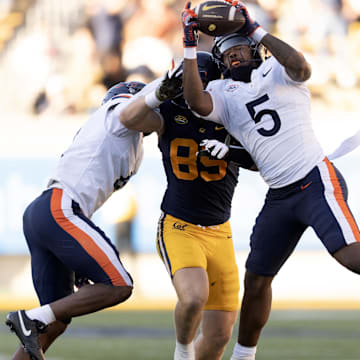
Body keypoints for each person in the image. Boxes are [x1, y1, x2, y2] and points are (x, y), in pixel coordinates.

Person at [180, 1, 360, 360]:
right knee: (257, 278)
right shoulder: (225, 95)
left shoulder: (277, 71)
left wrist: (255, 27)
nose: (236, 57)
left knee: (351, 257)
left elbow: (302, 66)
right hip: (279, 195)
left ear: (256, 46)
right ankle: (244, 355)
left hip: (314, 177)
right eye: (227, 55)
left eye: (241, 48)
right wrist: (188, 45)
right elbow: (195, 102)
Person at [4, 80, 166, 360]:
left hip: (49, 211)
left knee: (54, 321)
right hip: (60, 208)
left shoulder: (131, 143)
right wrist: (161, 89)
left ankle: (33, 320)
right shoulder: (116, 115)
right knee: (119, 285)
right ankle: (30, 316)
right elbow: (131, 112)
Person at [119, 51, 256, 360]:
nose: (195, 93)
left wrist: (232, 151)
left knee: (220, 334)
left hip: (220, 231)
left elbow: (262, 158)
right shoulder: (169, 110)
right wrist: (155, 96)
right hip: (180, 226)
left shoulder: (231, 113)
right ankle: (182, 352)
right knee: (194, 298)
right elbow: (127, 118)